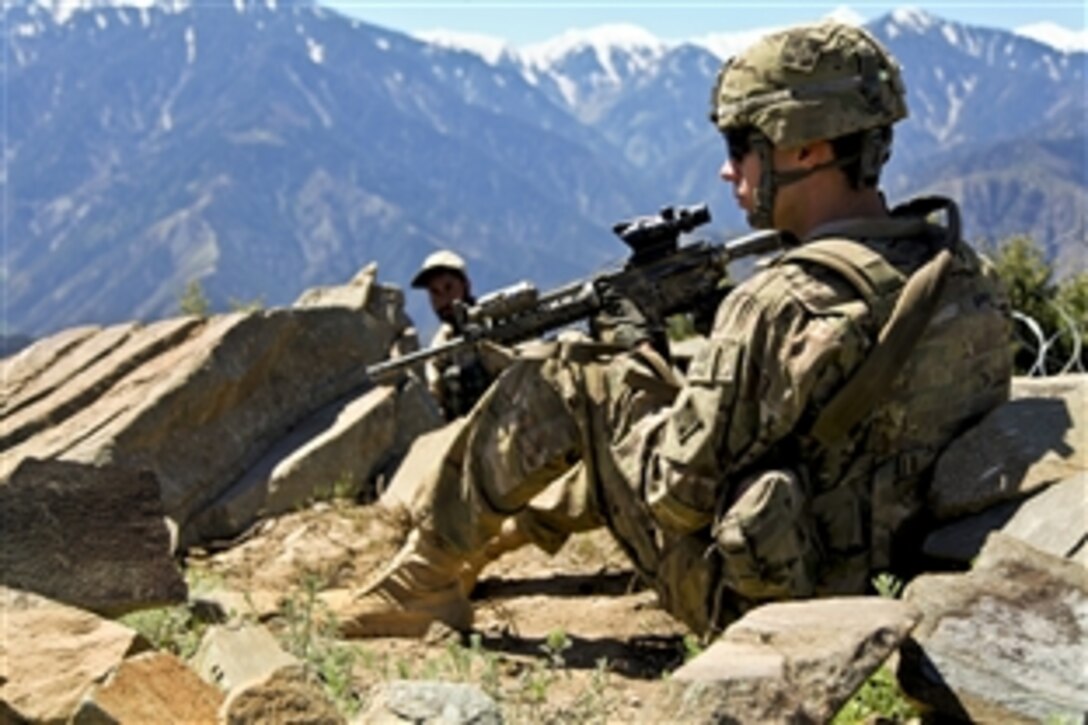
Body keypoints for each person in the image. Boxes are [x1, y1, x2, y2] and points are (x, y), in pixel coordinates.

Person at [334, 20, 1012, 639]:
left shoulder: (777, 304)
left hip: (770, 612)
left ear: (806, 146)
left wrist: (630, 348)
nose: (727, 169)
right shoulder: (956, 268)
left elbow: (674, 494)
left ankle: (423, 578)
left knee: (574, 375)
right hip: (900, 584)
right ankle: (503, 532)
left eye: (740, 144)